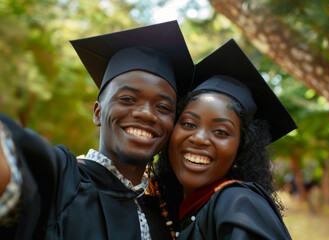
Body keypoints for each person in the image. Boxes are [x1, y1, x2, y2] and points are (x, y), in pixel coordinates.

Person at [0, 20, 193, 239]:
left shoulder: (164, 215)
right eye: (128, 99)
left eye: (163, 107)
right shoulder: (62, 181)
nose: (146, 114)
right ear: (98, 112)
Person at [154, 39, 296, 239]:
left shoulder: (238, 203)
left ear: (242, 148)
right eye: (188, 124)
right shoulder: (187, 209)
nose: (199, 138)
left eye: (220, 131)